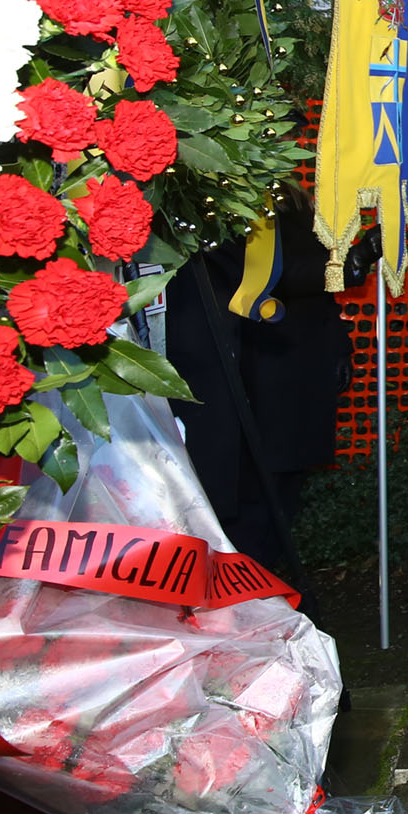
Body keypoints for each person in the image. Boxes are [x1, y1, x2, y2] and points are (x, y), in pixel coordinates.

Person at [166, 183, 357, 603]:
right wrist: (346, 266)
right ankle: (242, 588)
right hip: (258, 365)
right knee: (252, 488)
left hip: (300, 364)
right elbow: (269, 275)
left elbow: (322, 293)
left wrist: (339, 342)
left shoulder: (299, 207)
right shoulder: (218, 204)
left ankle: (257, 584)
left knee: (283, 487)